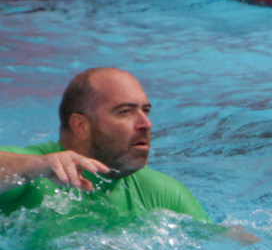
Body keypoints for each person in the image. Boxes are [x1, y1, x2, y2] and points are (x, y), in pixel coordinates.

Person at [0, 67, 209, 220]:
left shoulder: (162, 193)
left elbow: (216, 241)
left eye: (145, 111)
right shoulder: (31, 174)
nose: (146, 124)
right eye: (125, 112)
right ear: (81, 126)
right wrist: (38, 166)